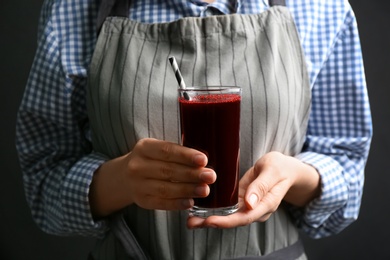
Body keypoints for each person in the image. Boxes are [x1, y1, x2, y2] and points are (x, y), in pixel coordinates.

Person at [16, 0, 372, 259]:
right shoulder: (73, 9)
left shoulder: (322, 9)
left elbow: (348, 174)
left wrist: (294, 177)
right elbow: (42, 182)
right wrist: (120, 180)